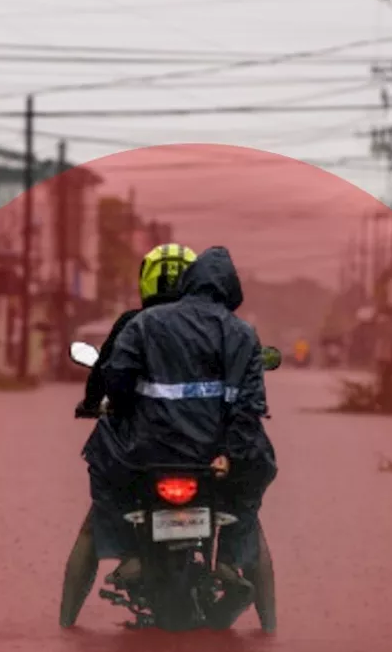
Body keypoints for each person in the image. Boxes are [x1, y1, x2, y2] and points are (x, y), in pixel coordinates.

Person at [101, 246, 278, 630]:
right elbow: (250, 407)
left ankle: (129, 553)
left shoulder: (146, 323)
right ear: (231, 289)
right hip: (214, 460)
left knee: (106, 469)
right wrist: (229, 455)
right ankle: (230, 559)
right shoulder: (244, 334)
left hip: (148, 453)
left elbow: (116, 381)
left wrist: (128, 411)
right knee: (258, 475)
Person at [59, 243, 197, 628]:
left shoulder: (133, 324)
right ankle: (235, 569)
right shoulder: (211, 327)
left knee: (94, 523)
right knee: (243, 517)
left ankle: (66, 624)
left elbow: (107, 374)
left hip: (137, 451)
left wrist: (93, 403)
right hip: (204, 449)